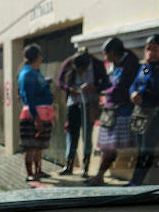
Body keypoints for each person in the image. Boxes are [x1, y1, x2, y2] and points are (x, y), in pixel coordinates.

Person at [87, 37, 139, 186]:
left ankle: (99, 175)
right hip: (110, 109)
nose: (105, 58)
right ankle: (100, 175)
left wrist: (101, 90)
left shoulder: (129, 64)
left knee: (109, 146)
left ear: (112, 52)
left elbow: (120, 86)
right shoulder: (113, 64)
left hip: (121, 110)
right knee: (106, 145)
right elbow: (109, 82)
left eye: (106, 54)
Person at [128, 34, 159, 186]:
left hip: (158, 115)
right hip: (141, 114)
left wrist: (151, 69)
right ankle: (135, 181)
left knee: (147, 149)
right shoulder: (144, 67)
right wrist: (133, 94)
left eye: (155, 49)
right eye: (148, 49)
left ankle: (136, 182)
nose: (151, 53)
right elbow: (134, 85)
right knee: (140, 149)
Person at [57, 47, 108, 176]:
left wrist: (95, 88)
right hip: (74, 103)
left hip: (90, 104)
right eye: (78, 70)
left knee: (87, 135)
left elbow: (106, 83)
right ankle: (68, 165)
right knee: (72, 134)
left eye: (83, 70)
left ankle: (86, 166)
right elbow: (60, 81)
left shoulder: (97, 64)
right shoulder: (69, 62)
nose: (80, 72)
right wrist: (69, 89)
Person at [17, 44, 55, 182]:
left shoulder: (36, 72)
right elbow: (28, 96)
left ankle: (38, 171)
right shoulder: (27, 73)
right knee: (31, 146)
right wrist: (36, 117)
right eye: (40, 55)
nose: (41, 58)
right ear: (37, 57)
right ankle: (29, 173)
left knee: (39, 146)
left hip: (43, 113)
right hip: (33, 115)